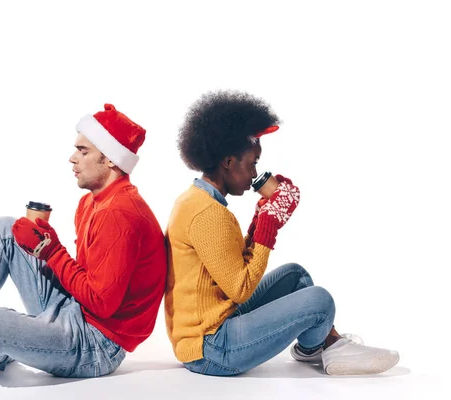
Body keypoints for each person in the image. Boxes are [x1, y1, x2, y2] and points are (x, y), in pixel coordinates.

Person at [0, 104, 167, 378]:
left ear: (110, 159)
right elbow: (88, 279)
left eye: (83, 151)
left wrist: (50, 251)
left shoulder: (119, 214)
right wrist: (44, 246)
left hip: (96, 345)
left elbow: (101, 303)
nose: (72, 158)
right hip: (75, 311)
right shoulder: (90, 203)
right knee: (4, 228)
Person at [164, 90, 399, 376]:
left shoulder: (198, 201)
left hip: (213, 326)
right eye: (252, 163)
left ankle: (320, 346)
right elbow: (239, 289)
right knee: (319, 300)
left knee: (296, 276)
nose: (254, 174)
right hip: (212, 348)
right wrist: (268, 229)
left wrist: (260, 220)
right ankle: (330, 346)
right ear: (228, 161)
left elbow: (228, 266)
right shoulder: (208, 213)